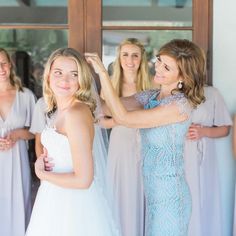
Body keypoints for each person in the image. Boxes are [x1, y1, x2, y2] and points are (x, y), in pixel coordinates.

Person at [85, 38, 206, 236]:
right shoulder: (150, 96)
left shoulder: (179, 106)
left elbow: (124, 118)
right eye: (159, 60)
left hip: (171, 197)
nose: (157, 68)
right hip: (153, 193)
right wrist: (78, 85)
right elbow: (106, 106)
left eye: (166, 67)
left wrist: (102, 73)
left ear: (183, 76)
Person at [25, 48, 120, 236]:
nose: (65, 80)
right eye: (58, 72)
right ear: (48, 76)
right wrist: (41, 162)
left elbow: (84, 179)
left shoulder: (75, 114)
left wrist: (42, 174)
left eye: (73, 74)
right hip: (54, 198)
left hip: (73, 205)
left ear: (81, 80)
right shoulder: (60, 110)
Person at [100, 38, 151, 236]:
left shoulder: (152, 84)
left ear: (141, 59)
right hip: (120, 144)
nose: (130, 60)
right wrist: (123, 120)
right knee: (122, 190)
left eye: (135, 55)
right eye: (125, 55)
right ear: (119, 58)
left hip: (147, 143)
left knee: (145, 190)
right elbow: (100, 121)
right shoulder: (110, 87)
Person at [184, 85, 232, 236]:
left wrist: (203, 131)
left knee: (204, 202)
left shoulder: (211, 93)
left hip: (203, 161)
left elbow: (225, 129)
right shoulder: (170, 94)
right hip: (179, 158)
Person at [0, 48, 35, 236]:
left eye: (4, 63)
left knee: (19, 205)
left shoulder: (26, 95)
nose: (1, 68)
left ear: (10, 64)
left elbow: (37, 132)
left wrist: (18, 133)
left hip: (18, 163)